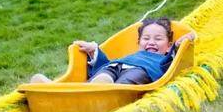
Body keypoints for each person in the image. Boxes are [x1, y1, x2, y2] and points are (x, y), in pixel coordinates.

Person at [30, 17, 196, 85]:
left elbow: (176, 59)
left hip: (143, 72)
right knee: (103, 75)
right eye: (146, 39)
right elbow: (106, 61)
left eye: (158, 39)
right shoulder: (130, 55)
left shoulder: (165, 58)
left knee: (127, 81)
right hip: (116, 65)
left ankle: (106, 94)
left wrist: (180, 44)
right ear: (139, 43)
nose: (151, 42)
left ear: (168, 45)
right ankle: (57, 89)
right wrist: (93, 49)